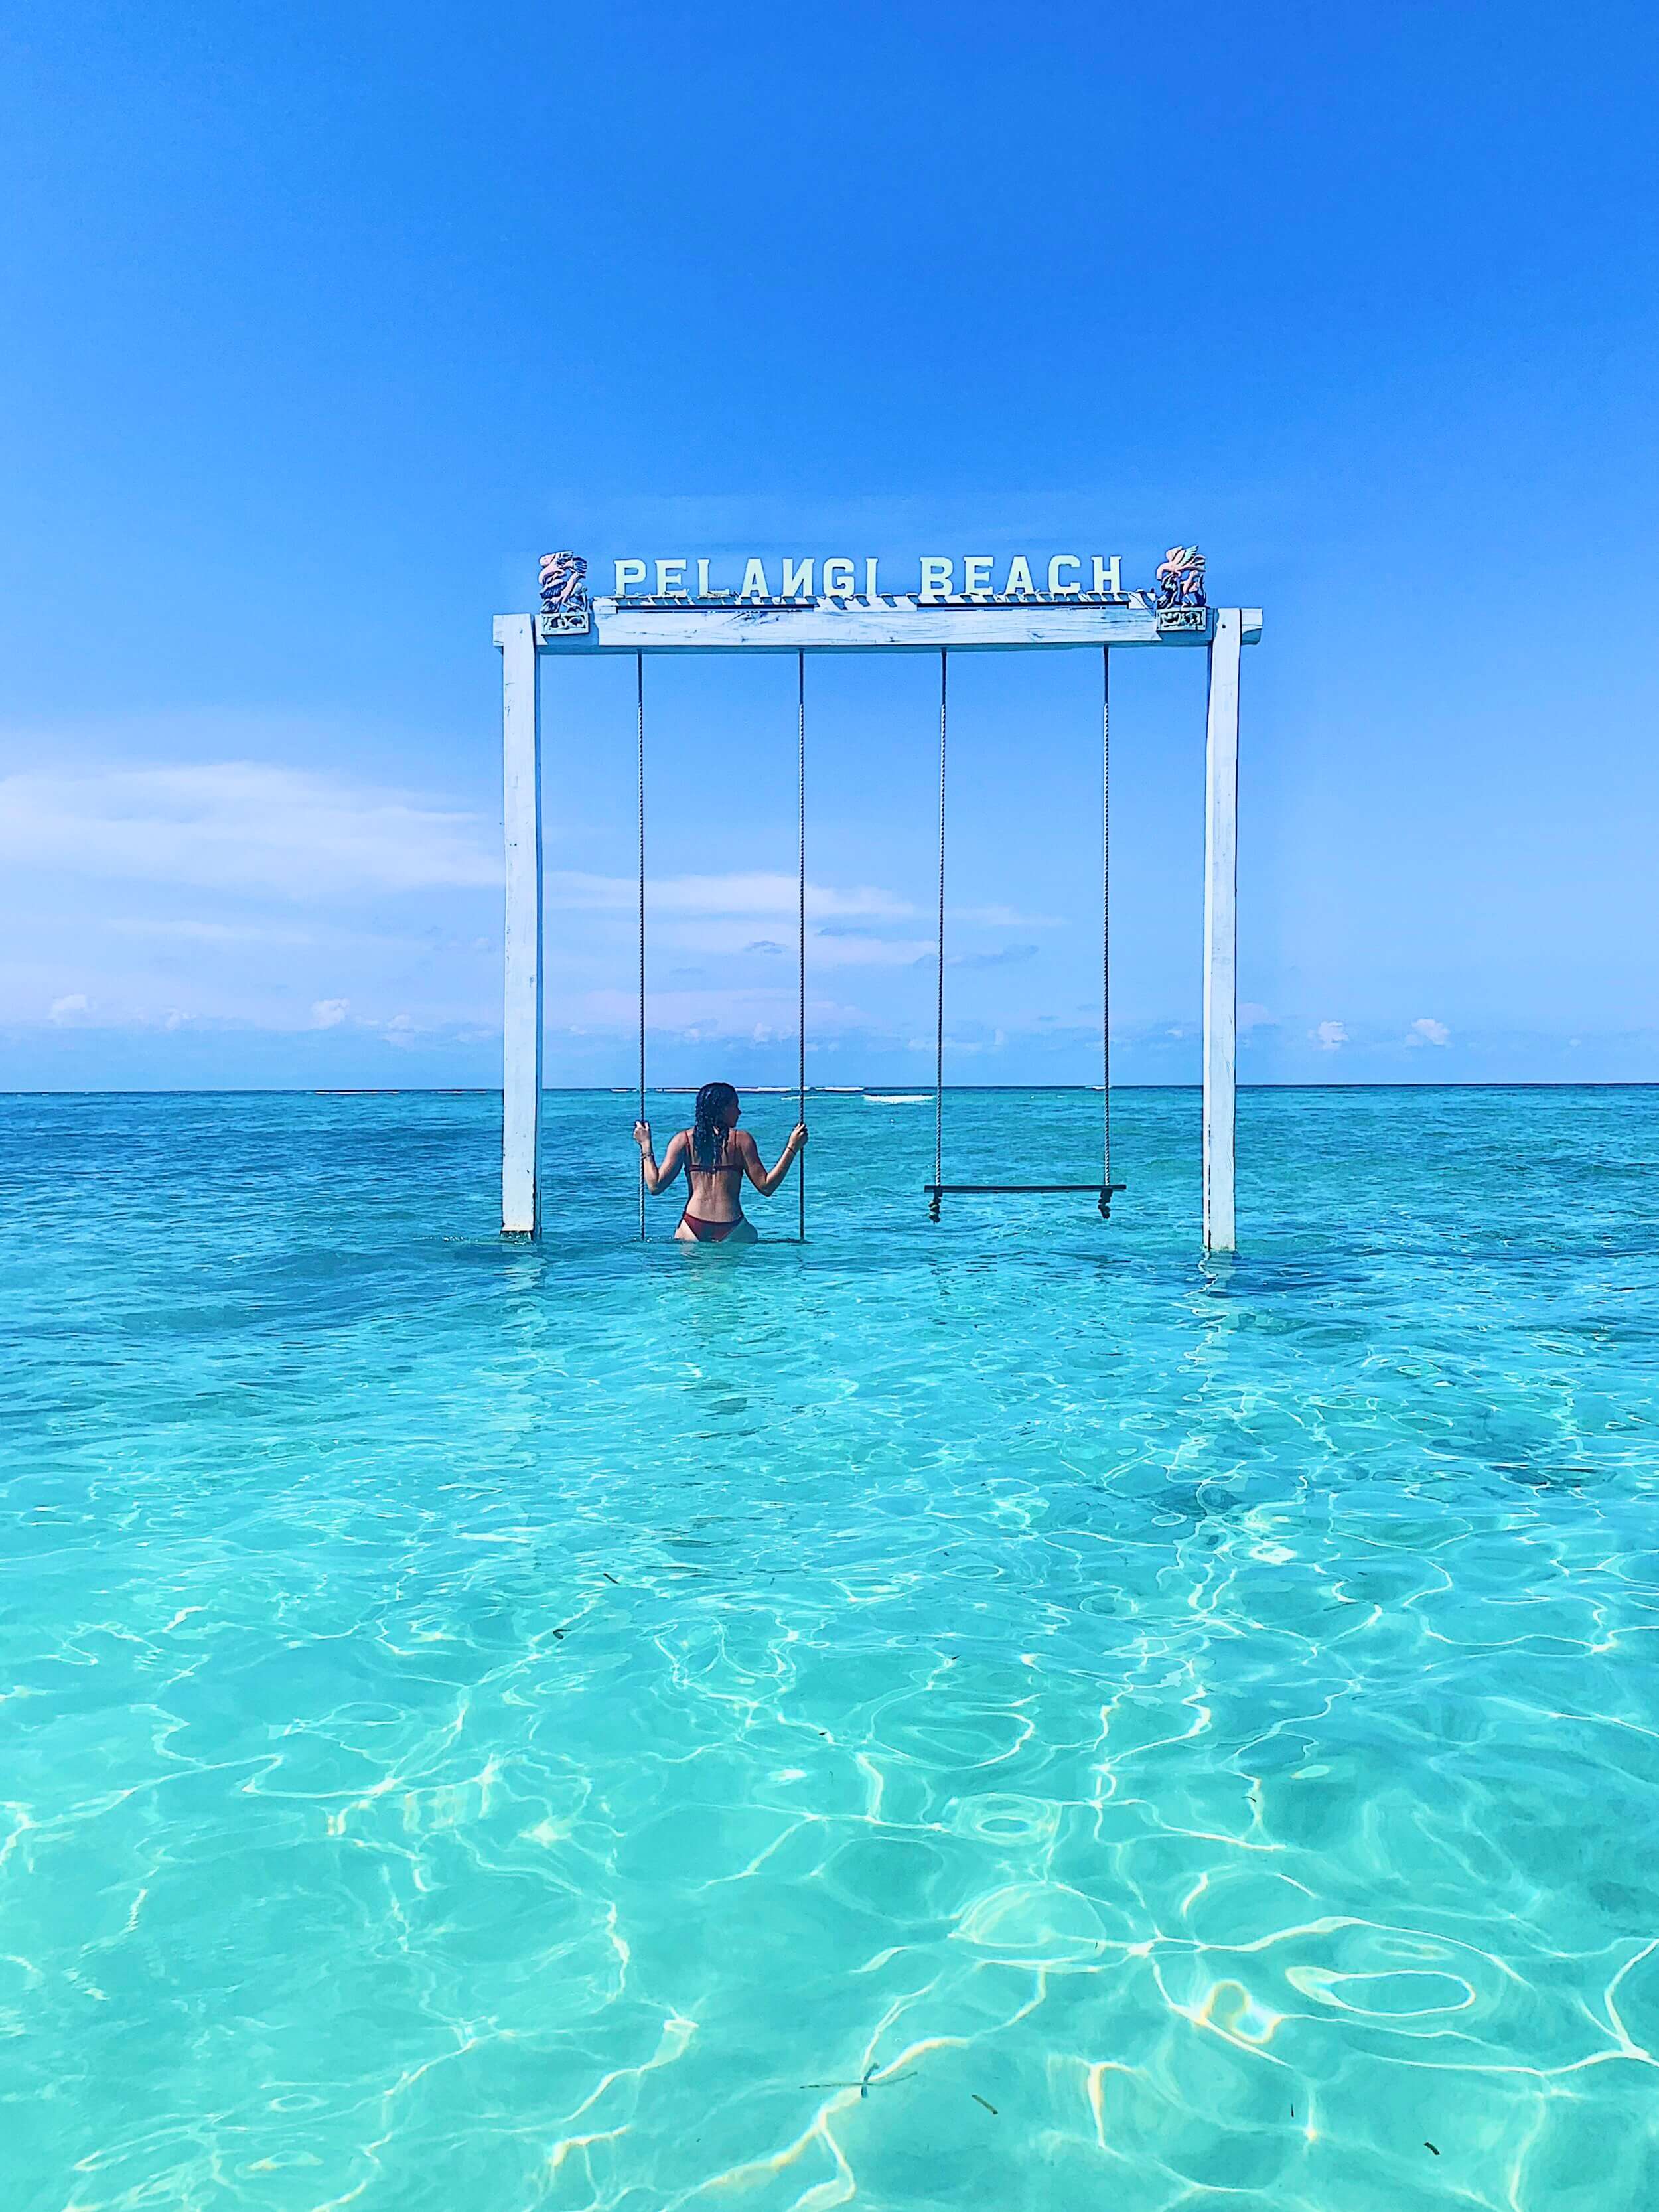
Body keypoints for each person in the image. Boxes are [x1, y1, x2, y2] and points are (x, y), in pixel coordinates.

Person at [633, 1081, 806, 1244]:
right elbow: (767, 1187)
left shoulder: (683, 1140)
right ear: (721, 1109)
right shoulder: (741, 1140)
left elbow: (655, 1186)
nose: (739, 1112)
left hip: (692, 1226)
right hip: (732, 1226)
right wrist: (792, 1148)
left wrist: (645, 1144)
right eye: (735, 1106)